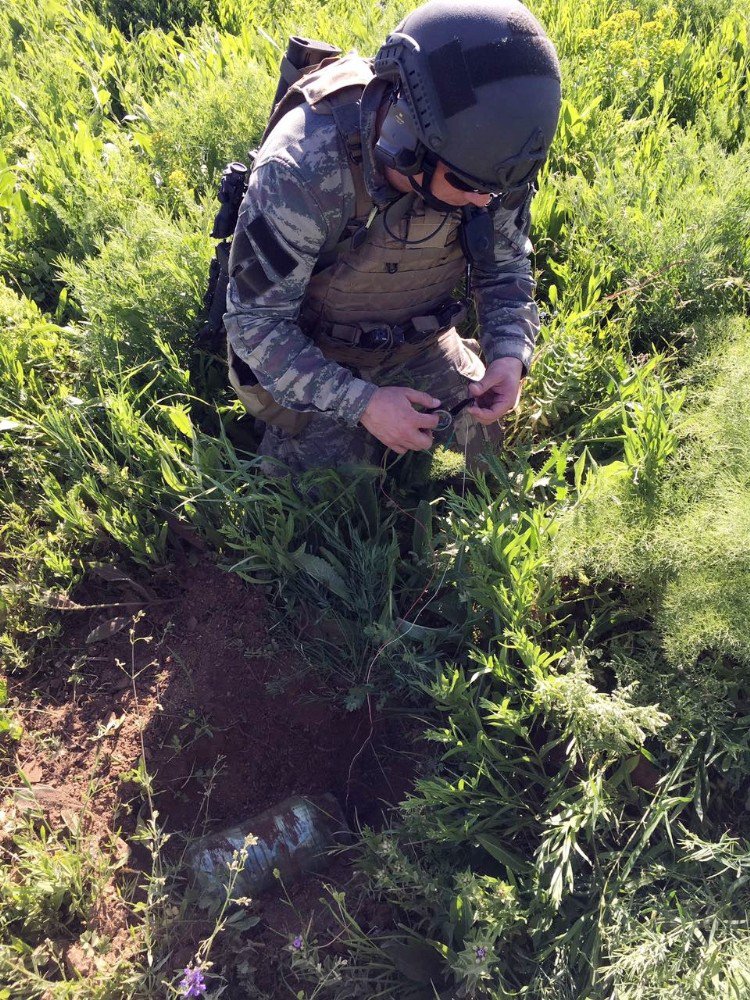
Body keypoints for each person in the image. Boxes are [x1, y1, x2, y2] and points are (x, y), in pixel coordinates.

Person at [223, 0, 561, 473]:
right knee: (329, 507)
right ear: (407, 142)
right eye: (469, 186)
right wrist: (362, 403)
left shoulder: (486, 160)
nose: (486, 202)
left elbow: (504, 265)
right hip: (318, 355)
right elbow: (255, 326)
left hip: (419, 341)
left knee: (482, 451)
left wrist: (509, 355)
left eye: (497, 190)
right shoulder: (303, 171)